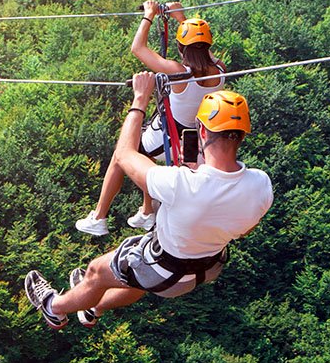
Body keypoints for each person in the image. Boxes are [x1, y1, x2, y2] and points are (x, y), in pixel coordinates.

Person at [25, 73, 273, 329]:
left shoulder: (180, 183)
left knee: (96, 272)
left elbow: (124, 155)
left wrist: (140, 98)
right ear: (243, 135)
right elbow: (245, 229)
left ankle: (53, 308)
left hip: (163, 269)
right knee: (135, 278)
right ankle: (94, 308)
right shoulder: (261, 185)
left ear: (201, 130)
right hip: (205, 269)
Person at [76, 0, 227, 236]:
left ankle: (99, 217)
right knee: (147, 157)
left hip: (170, 133)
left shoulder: (178, 72)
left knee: (121, 154)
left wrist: (148, 15)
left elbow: (138, 48)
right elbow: (202, 50)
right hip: (193, 136)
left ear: (181, 47)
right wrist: (181, 18)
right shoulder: (220, 70)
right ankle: (147, 211)